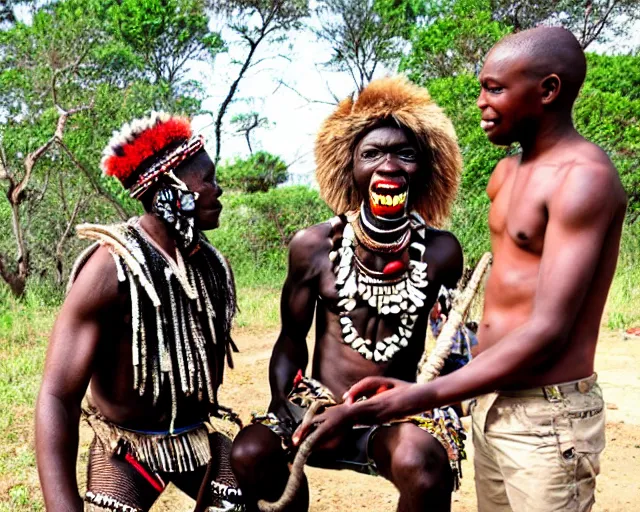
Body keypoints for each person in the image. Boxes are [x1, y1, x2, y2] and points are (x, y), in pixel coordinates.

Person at [298, 26, 628, 512]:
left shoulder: (584, 180)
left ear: (549, 90)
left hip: (548, 413)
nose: (480, 102)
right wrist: (430, 386)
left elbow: (548, 331)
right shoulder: (506, 175)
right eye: (481, 87)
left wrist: (416, 398)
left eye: (495, 88)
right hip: (492, 400)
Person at [230, 76, 467, 512]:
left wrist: (435, 403)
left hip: (397, 412)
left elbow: (454, 352)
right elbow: (289, 339)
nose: (389, 166)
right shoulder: (314, 247)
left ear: (425, 170)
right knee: (248, 452)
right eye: (372, 153)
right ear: (349, 166)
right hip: (319, 403)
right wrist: (286, 403)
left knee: (422, 463)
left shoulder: (442, 252)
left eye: (405, 154)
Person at [35, 113, 244, 512]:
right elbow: (57, 395)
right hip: (128, 446)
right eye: (209, 179)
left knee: (274, 493)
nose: (218, 190)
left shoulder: (210, 266)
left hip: (195, 439)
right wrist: (62, 506)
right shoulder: (108, 268)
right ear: (172, 188)